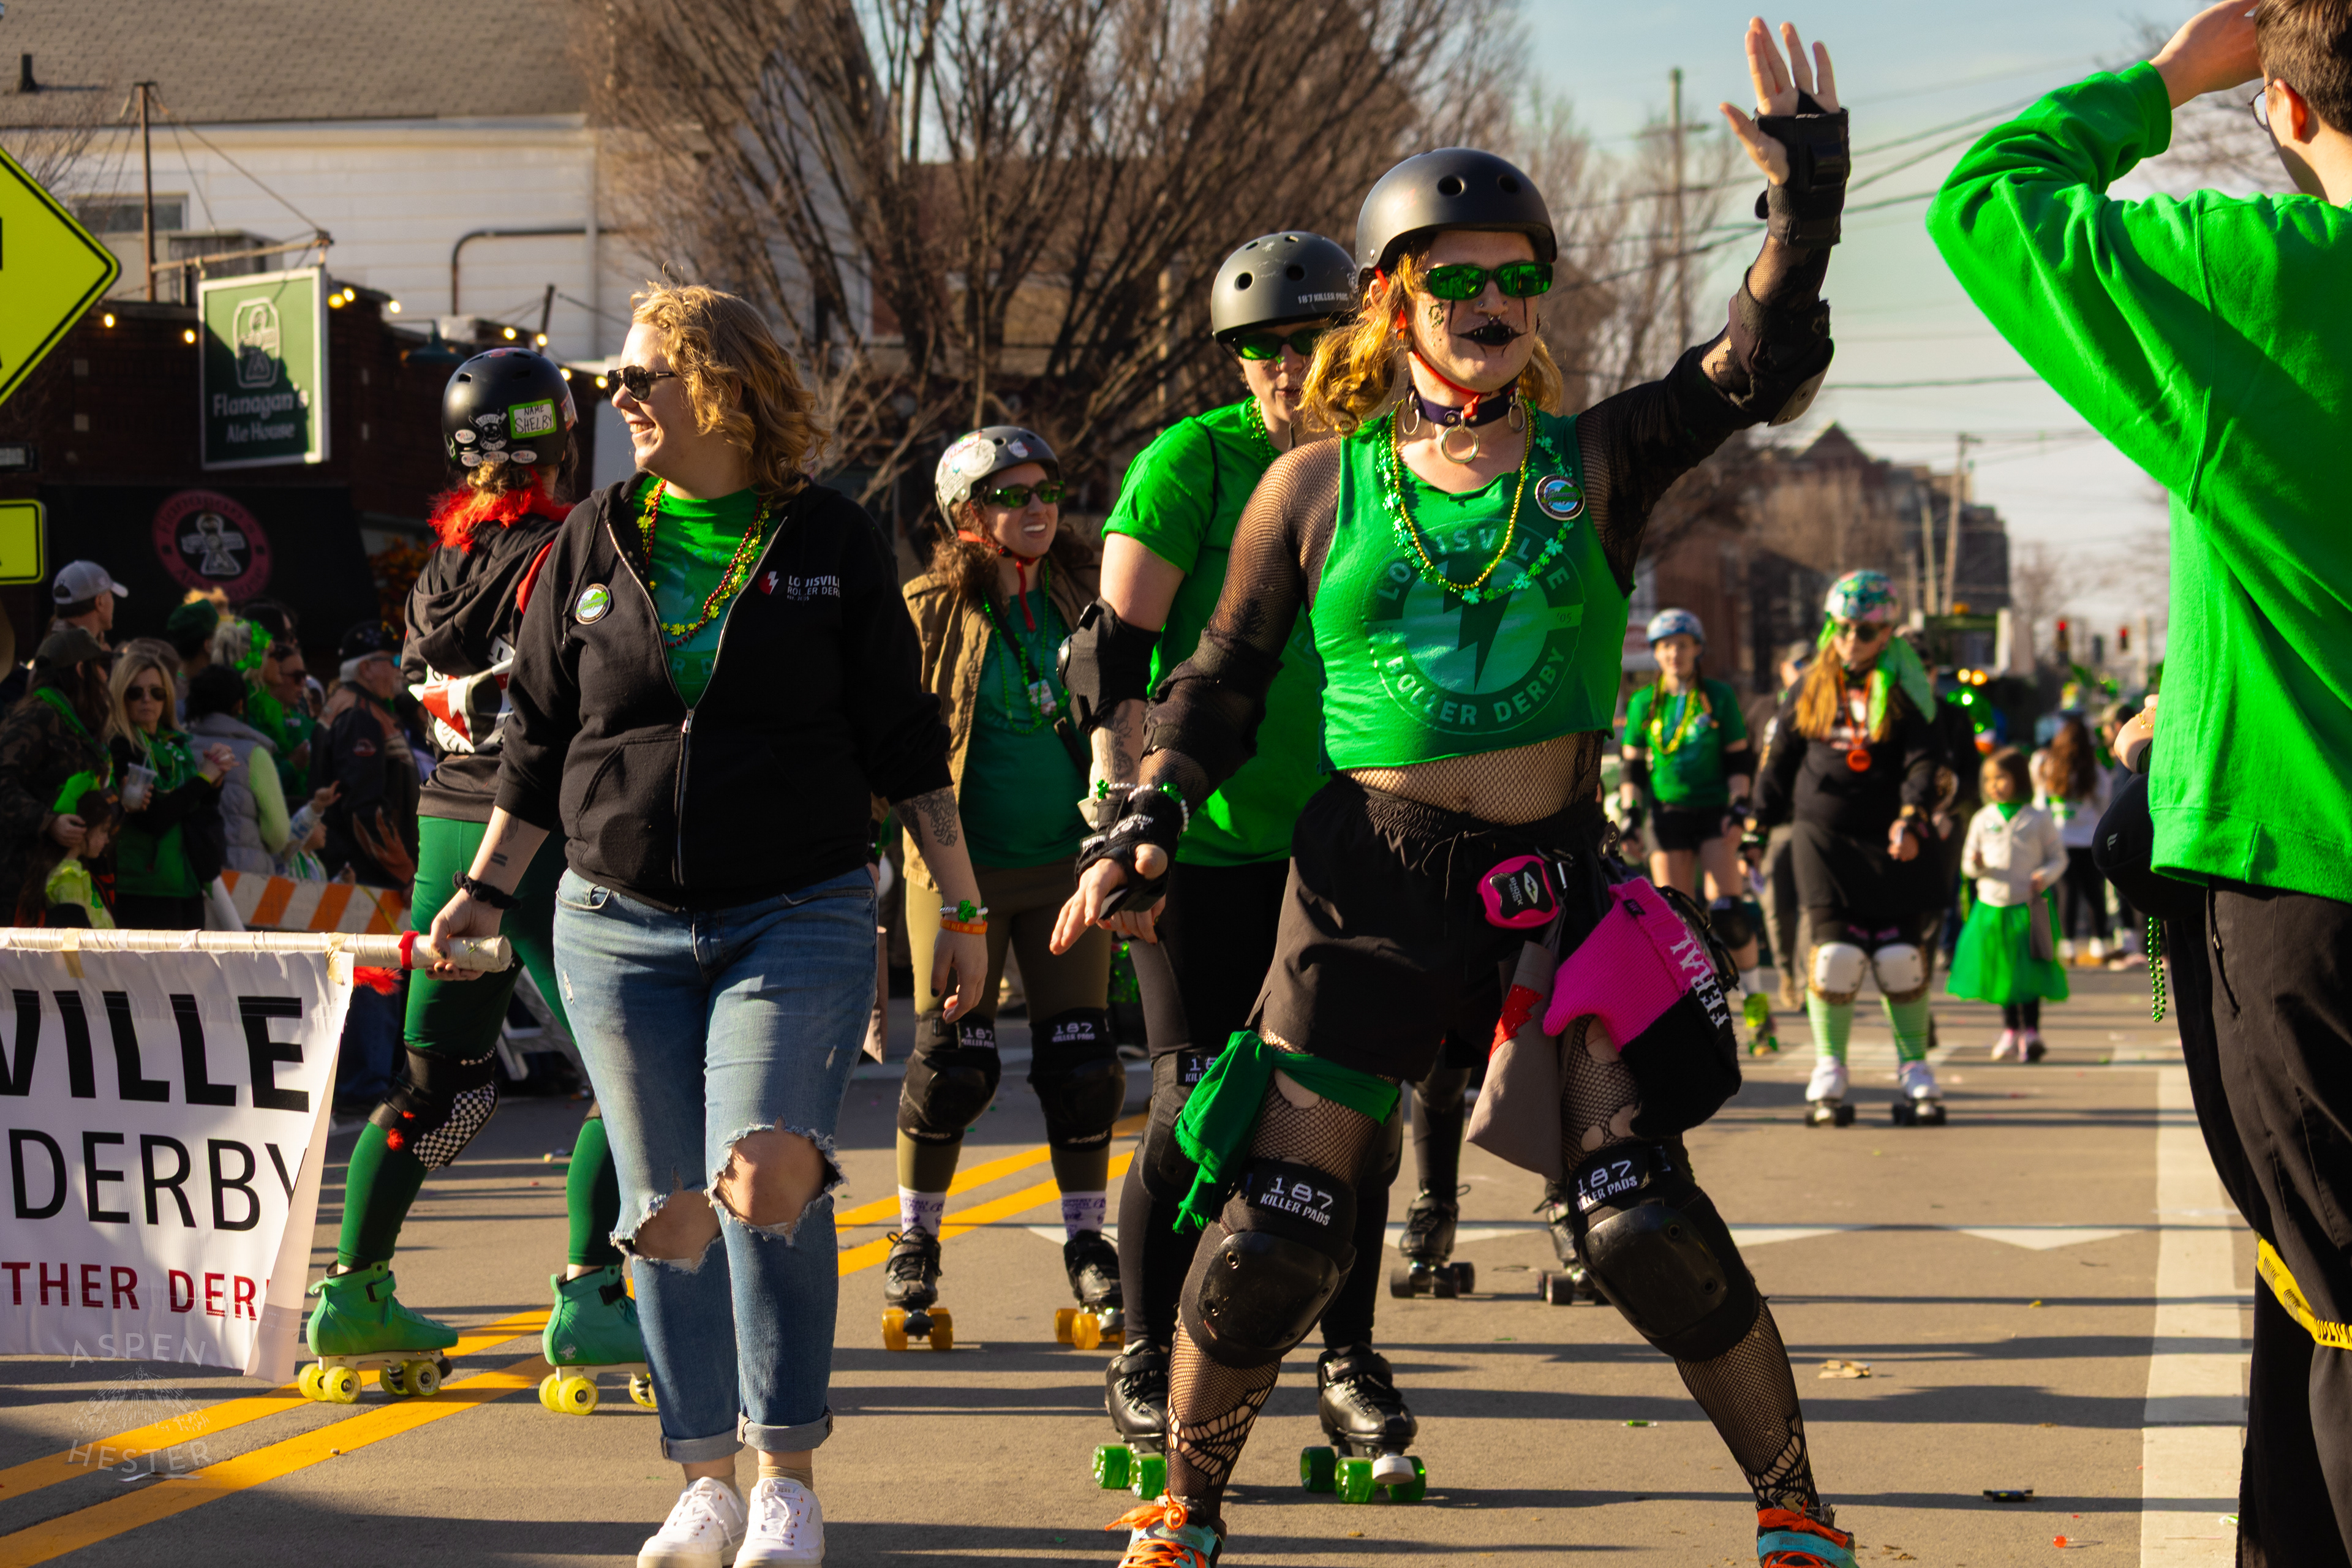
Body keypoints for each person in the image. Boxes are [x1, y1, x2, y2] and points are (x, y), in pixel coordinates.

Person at [1058, 22, 1855, 1565]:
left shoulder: (1595, 461)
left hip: (1554, 881)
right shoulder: (1313, 484)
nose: (1488, 306)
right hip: (1366, 877)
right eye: (1453, 278)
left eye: (1514, 280)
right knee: (1281, 1225)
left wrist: (1802, 219)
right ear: (1389, 298)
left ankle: (1793, 1503)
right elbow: (1219, 676)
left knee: (1638, 1218)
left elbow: (1746, 371)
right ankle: (1191, 1501)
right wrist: (1151, 799)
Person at [429, 282, 987, 1568]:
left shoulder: (830, 539)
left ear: (724, 388)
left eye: (642, 377)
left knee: (766, 1171)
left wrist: (955, 899)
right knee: (667, 1204)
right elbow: (540, 741)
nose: (617, 399)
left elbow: (904, 738)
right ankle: (703, 1482)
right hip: (613, 926)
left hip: (795, 912)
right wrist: (485, 887)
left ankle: (786, 1472)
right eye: (616, 380)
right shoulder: (590, 539)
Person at [1929, 3, 2352, 1556]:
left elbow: (1988, 204)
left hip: (2298, 875)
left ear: (2286, 112)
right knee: (2303, 1299)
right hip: (2283, 865)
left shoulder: (2256, 280)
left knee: (2334, 1308)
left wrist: (2174, 76)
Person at [1067, 228, 1438, 1482]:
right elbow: (1114, 656)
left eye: (1305, 346)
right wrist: (1124, 817)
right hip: (1206, 841)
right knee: (1189, 1096)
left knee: (1354, 1113)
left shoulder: (1409, 466)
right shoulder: (1193, 462)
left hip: (1359, 842)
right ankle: (1136, 1343)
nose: (1283, 374)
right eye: (1258, 353)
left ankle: (1345, 1358)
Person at [306, 347, 649, 1395]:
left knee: (439, 1083)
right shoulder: (574, 546)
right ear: (554, 436)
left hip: (447, 826)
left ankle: (355, 1292)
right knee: (626, 1079)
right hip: (538, 834)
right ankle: (592, 1296)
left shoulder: (435, 568)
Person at [887, 424, 1127, 1348]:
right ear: (964, 516)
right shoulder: (924, 609)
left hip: (1067, 870)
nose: (1037, 508)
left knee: (1083, 1069)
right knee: (953, 1068)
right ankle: (914, 1241)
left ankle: (1086, 1244)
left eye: (1046, 490)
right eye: (1011, 495)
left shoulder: (1086, 597)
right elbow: (890, 743)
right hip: (960, 876)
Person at [1753, 571, 1947, 1128]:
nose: (1851, 641)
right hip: (1824, 838)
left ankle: (1913, 1068)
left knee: (1900, 960)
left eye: (1864, 631)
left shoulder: (1907, 687)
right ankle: (1830, 1068)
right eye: (1842, 628)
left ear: (1886, 634)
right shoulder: (1810, 685)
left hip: (1894, 837)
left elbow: (1922, 758)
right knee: (1834, 960)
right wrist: (1756, 826)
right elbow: (1781, 759)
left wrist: (1912, 810)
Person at [1619, 608, 1777, 1052]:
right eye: (1666, 646)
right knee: (1675, 920)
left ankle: (1757, 1012)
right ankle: (1690, 1020)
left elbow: (1738, 759)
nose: (1674, 653)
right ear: (1656, 654)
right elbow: (1632, 767)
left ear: (1697, 650)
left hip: (1713, 811)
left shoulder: (1718, 696)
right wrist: (1632, 816)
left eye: (1683, 645)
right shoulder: (1642, 703)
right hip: (1668, 813)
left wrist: (1739, 805)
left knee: (1728, 912)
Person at [102, 639, 235, 930]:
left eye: (157, 692)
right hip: (143, 886)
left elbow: (198, 811)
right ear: (121, 697)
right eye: (136, 693)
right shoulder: (121, 746)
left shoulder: (178, 744)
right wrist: (203, 779)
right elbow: (153, 819)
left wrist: (214, 785)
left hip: (186, 881)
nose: (147, 700)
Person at [1947, 747, 2068, 1060]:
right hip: (1992, 907)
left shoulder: (2037, 818)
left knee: (2031, 971)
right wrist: (1975, 864)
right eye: (1989, 780)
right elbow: (1967, 867)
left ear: (2018, 779)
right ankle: (2010, 1030)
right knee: (2003, 972)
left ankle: (2032, 1032)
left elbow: (2059, 858)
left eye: (2001, 778)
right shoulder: (1982, 818)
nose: (1994, 785)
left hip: (2030, 907)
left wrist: (2045, 875)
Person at [0, 627, 116, 919]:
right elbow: (3, 781)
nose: (105, 678)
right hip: (22, 883)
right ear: (81, 670)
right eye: (100, 668)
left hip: (59, 876)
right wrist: (49, 822)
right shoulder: (39, 715)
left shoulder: (74, 720)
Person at [314, 622, 421, 891]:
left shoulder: (356, 707)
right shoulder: (360, 717)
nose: (400, 668)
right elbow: (366, 809)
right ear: (366, 668)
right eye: (394, 659)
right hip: (369, 880)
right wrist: (406, 873)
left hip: (363, 875)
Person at [184, 664, 290, 875]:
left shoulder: (180, 748)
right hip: (245, 876)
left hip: (189, 870)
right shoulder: (255, 754)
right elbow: (278, 833)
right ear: (240, 705)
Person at [2029, 714, 2113, 962]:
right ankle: (2099, 943)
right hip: (2089, 839)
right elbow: (2104, 802)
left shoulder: (2048, 766)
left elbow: (2039, 799)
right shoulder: (2094, 770)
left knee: (2067, 893)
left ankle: (2067, 945)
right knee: (2094, 892)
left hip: (2060, 839)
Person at [18, 778, 121, 927]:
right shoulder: (69, 876)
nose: (107, 840)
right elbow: (74, 937)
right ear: (80, 828)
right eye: (103, 831)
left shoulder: (74, 872)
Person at [48, 560, 127, 649]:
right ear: (100, 602)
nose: (113, 602)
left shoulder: (50, 651)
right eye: (111, 594)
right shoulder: (83, 657)